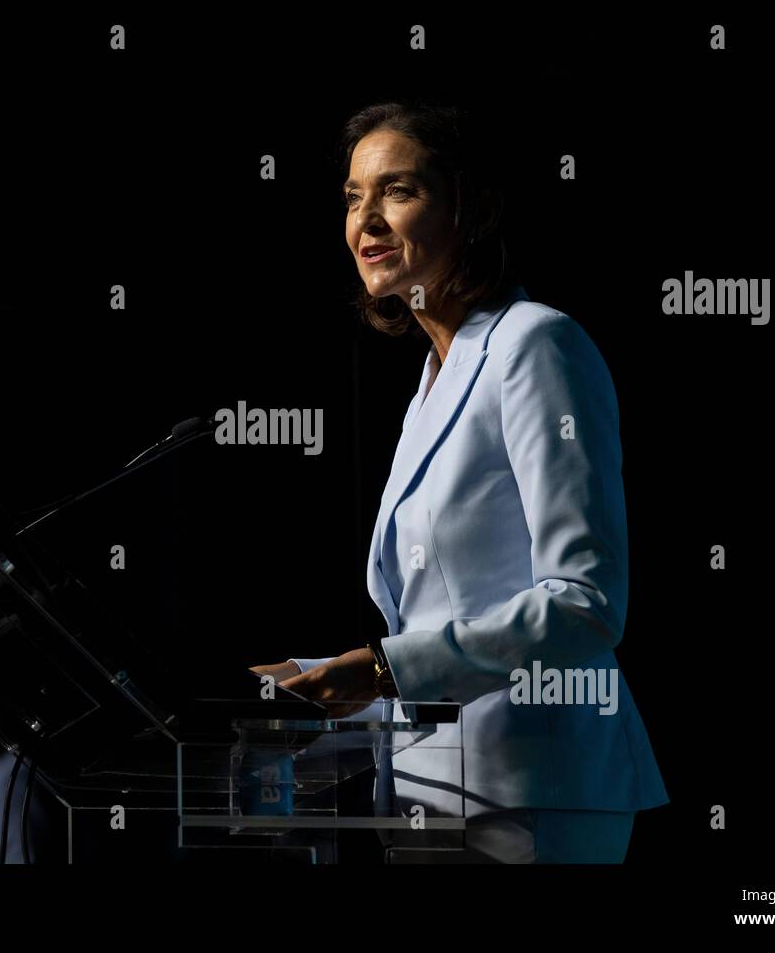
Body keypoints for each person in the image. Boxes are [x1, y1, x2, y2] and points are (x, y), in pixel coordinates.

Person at [252, 101, 668, 863]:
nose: (366, 221)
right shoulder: (433, 378)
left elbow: (585, 605)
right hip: (431, 793)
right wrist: (313, 682)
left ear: (470, 209)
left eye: (398, 192)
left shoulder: (536, 344)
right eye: (352, 198)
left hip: (534, 788)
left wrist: (382, 668)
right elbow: (445, 612)